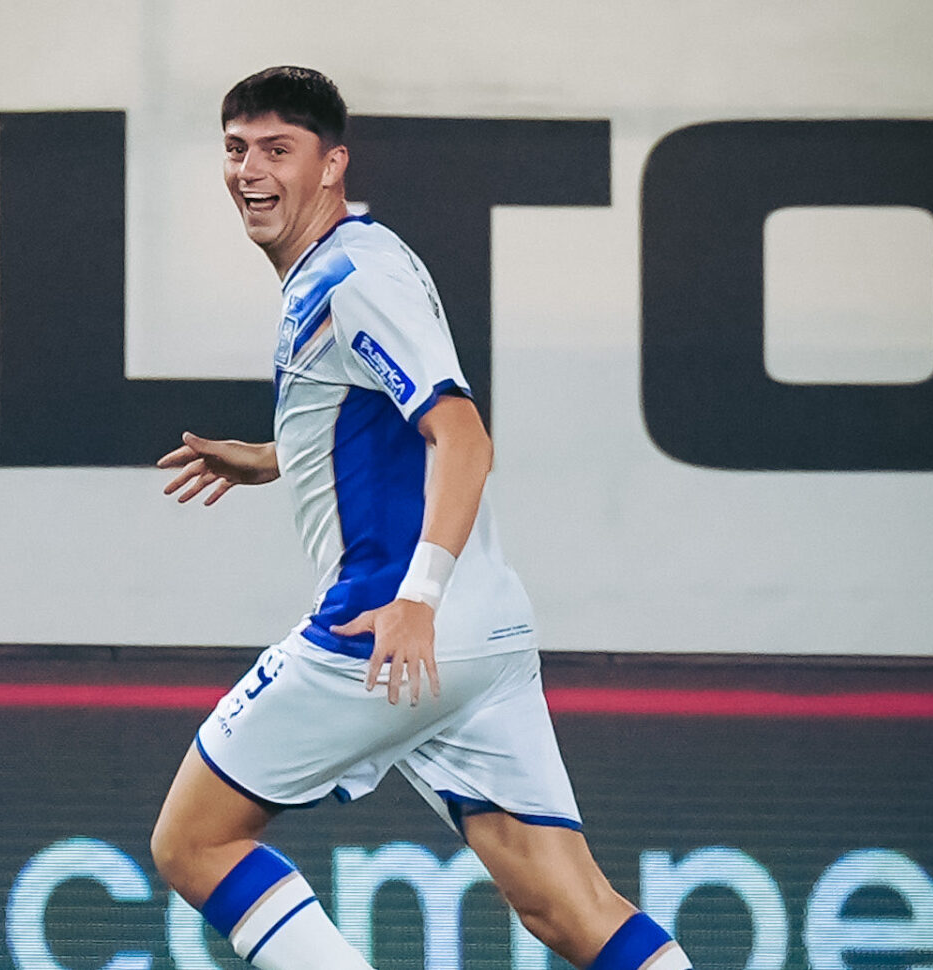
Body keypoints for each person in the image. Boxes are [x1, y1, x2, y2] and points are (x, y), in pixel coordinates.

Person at [149, 66, 693, 970]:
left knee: (192, 841)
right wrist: (280, 456)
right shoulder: (356, 261)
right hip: (486, 634)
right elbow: (383, 420)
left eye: (278, 150)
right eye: (237, 149)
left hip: (393, 623)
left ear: (332, 165)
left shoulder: (351, 278)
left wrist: (417, 599)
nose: (250, 171)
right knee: (569, 907)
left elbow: (463, 437)